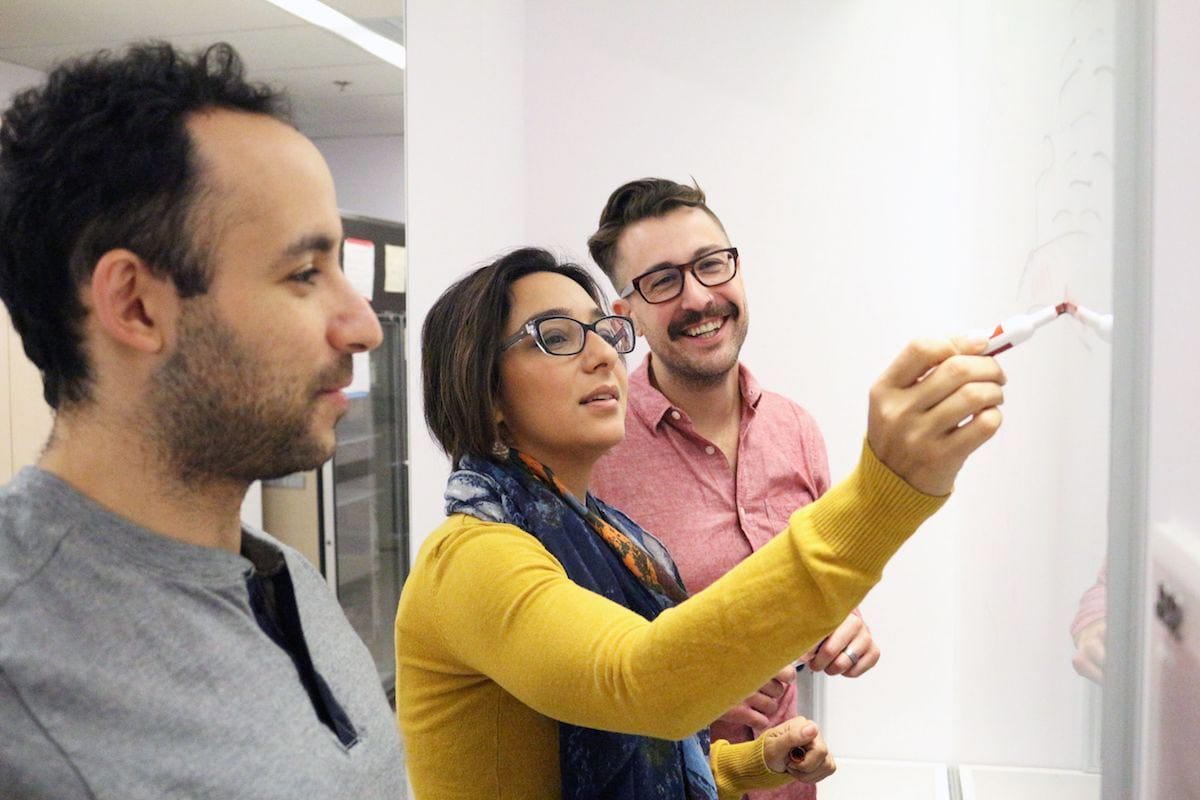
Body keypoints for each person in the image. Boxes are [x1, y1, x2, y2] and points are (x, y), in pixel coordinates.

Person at [396, 247, 1005, 799]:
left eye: (604, 332)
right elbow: (641, 685)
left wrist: (747, 765)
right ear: (485, 389)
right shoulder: (471, 556)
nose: (604, 354)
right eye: (557, 336)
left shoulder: (611, 539)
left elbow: (636, 753)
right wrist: (883, 491)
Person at [0, 42, 403, 797]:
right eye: (304, 273)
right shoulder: (23, 689)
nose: (363, 325)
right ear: (136, 305)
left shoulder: (284, 577)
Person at [587, 177, 875, 798]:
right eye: (662, 281)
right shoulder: (593, 455)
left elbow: (819, 583)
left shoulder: (796, 429)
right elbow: (577, 662)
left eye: (711, 265)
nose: (698, 297)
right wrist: (698, 683)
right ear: (625, 314)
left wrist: (842, 622)